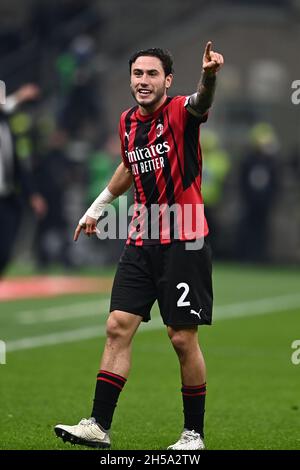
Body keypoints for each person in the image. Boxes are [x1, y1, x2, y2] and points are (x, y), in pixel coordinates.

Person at [55, 41, 224, 450]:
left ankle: (193, 435)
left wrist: (210, 76)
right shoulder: (127, 122)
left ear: (168, 80)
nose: (143, 81)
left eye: (152, 74)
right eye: (137, 74)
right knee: (117, 326)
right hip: (141, 236)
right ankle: (98, 425)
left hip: (184, 237)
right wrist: (97, 208)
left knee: (182, 338)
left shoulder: (183, 110)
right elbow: (129, 166)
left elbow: (202, 101)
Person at [0, 84, 47, 277]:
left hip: (6, 197)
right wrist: (20, 95)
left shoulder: (6, 126)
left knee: (5, 248)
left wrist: (33, 194)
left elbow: (18, 165)